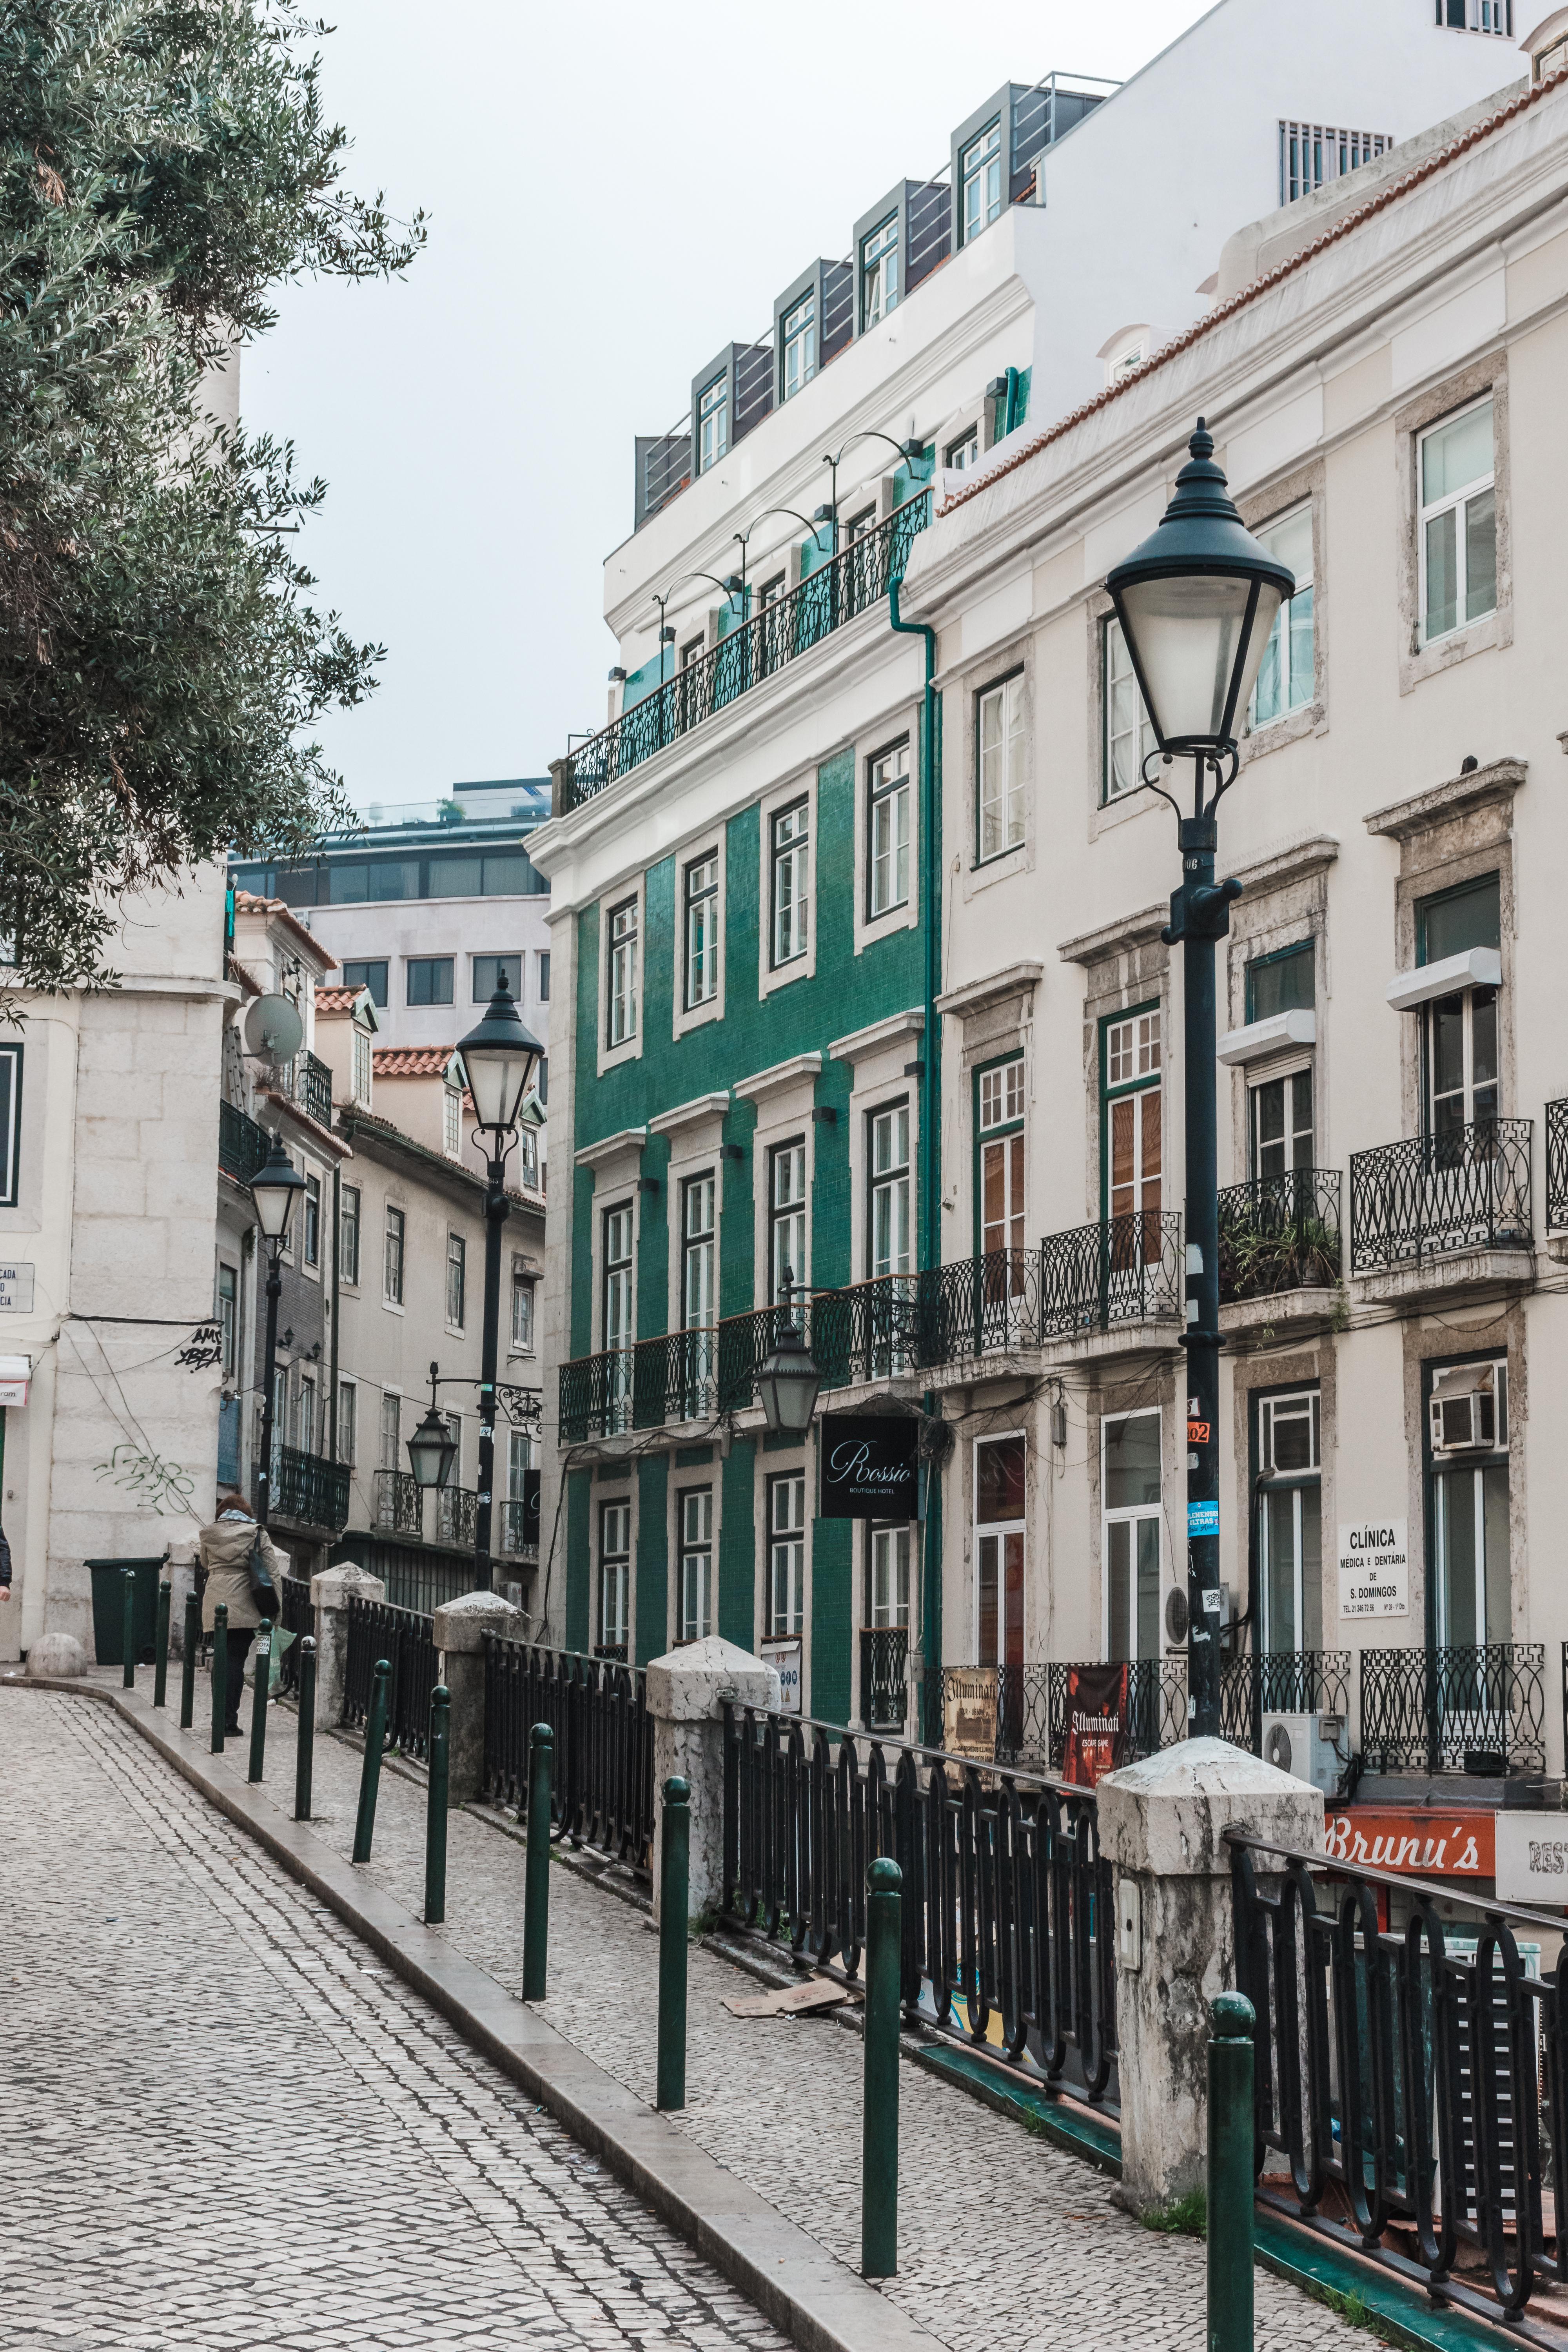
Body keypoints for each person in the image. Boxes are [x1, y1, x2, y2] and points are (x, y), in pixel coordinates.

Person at [198, 1492, 281, 1735]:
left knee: (221, 1661)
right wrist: (276, 1614)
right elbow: (273, 1574)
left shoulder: (209, 1534)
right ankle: (227, 1723)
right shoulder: (257, 1533)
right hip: (245, 1606)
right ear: (247, 1514)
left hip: (215, 1606)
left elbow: (205, 1563)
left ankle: (218, 1720)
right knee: (235, 1663)